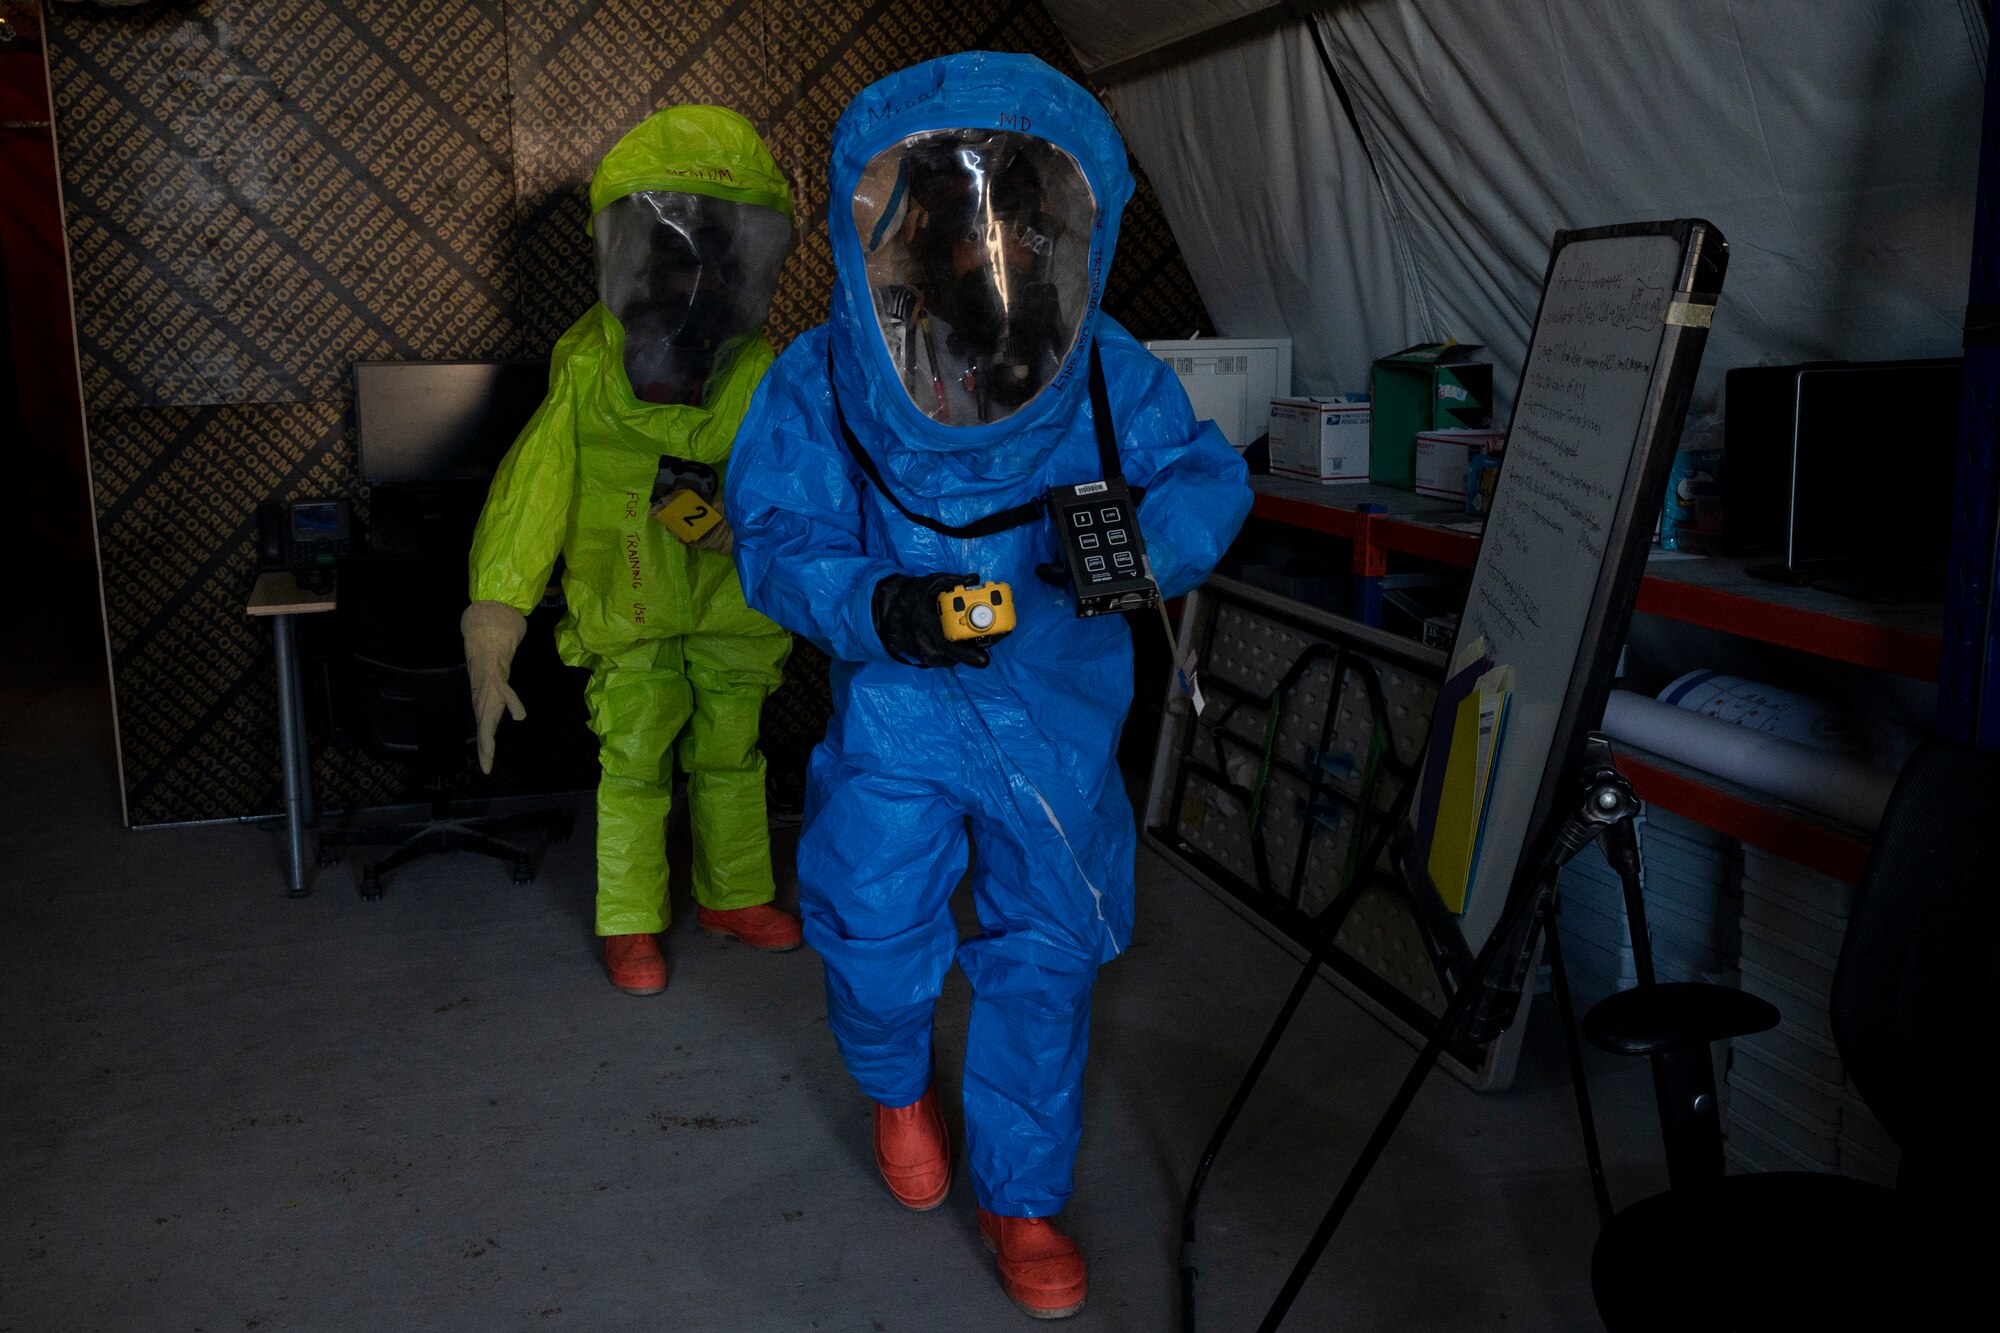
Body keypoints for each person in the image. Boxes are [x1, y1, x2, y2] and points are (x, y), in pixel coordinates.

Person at [727, 52, 1251, 1321]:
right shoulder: (829, 372)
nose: (987, 242)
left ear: (1058, 219)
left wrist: (1139, 547)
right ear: (901, 213)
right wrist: (876, 604)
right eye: (957, 211)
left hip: (1051, 708)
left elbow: (1205, 479)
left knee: (1048, 951)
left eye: (1013, 212)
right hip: (901, 707)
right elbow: (774, 536)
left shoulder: (1108, 370)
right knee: (868, 916)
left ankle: (1021, 1194)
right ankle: (898, 1088)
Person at [462, 105, 805, 996]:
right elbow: (533, 483)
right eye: (673, 248)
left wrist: (757, 528)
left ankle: (733, 892)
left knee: (733, 751)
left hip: (734, 599)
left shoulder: (763, 371)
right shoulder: (586, 368)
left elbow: (800, 480)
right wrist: (496, 606)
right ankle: (631, 921)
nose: (692, 279)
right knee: (637, 761)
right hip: (631, 595)